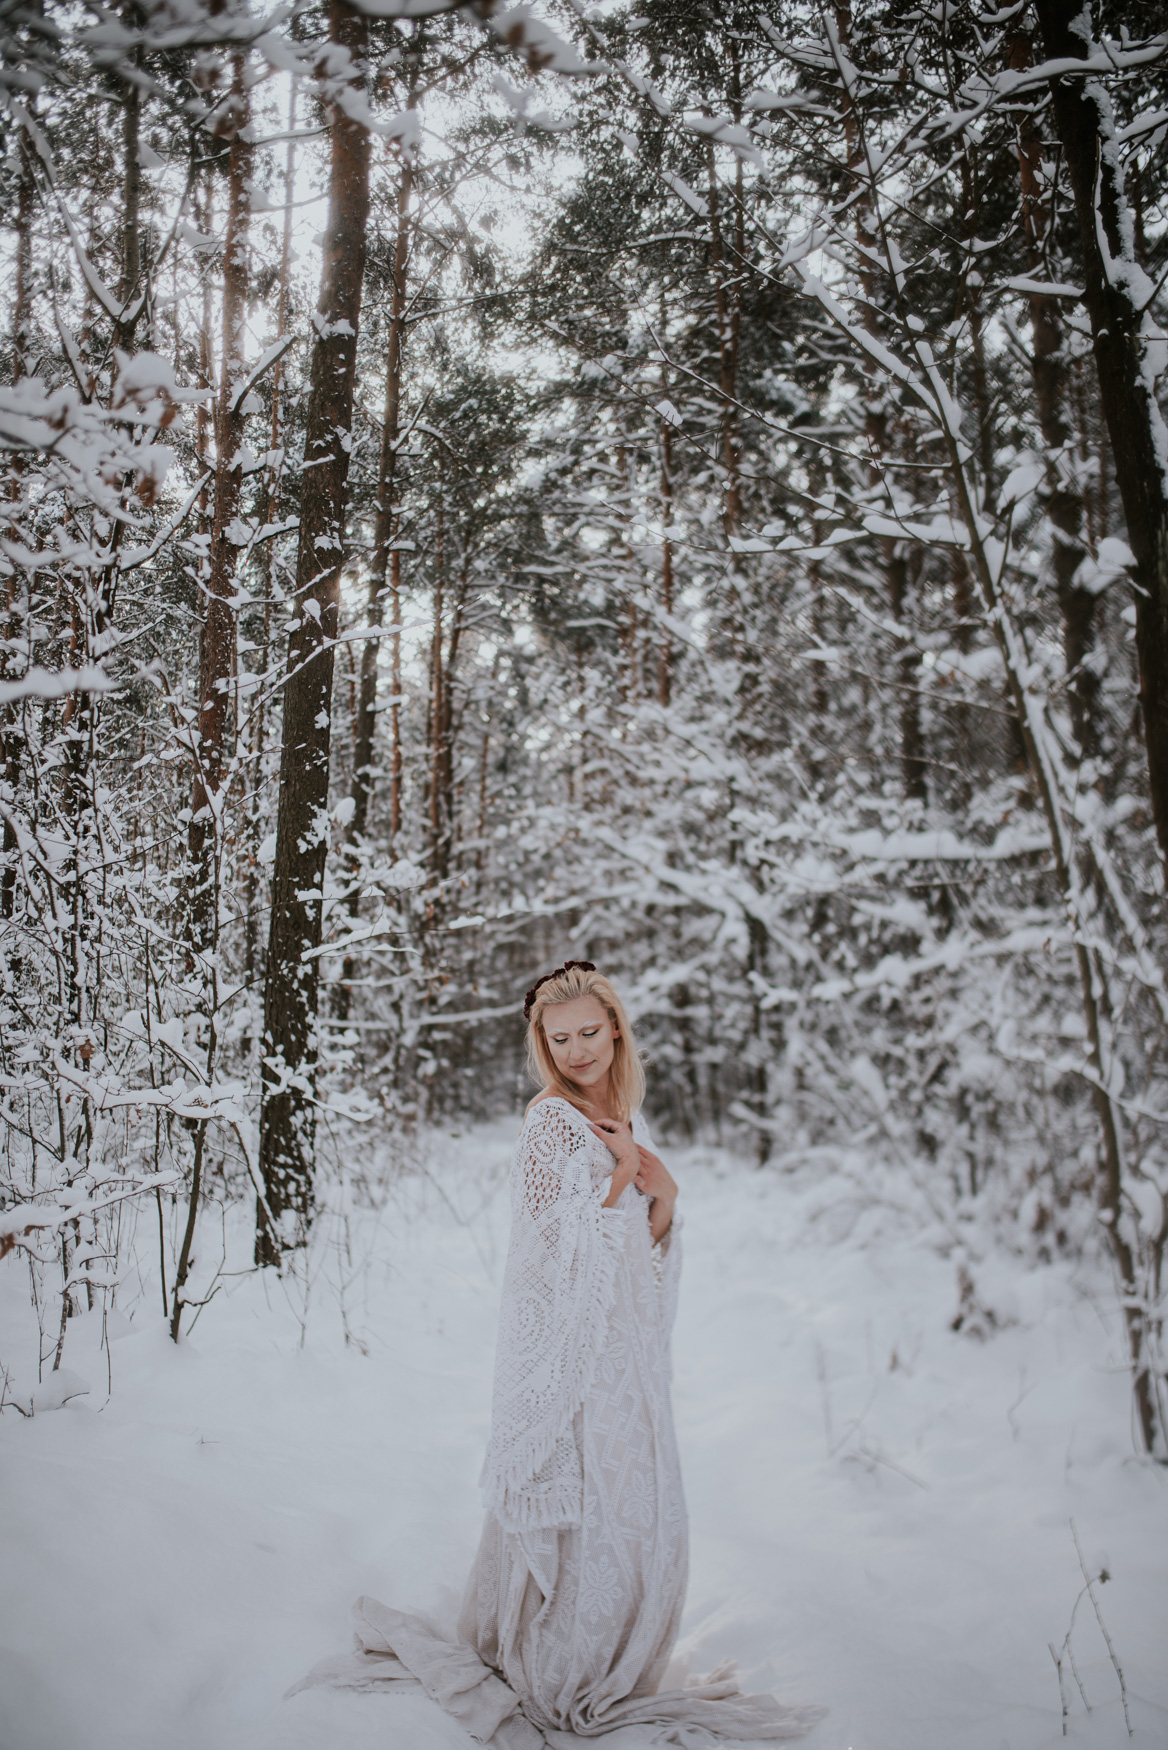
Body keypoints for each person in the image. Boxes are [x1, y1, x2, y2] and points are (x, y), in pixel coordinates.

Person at [291, 962, 822, 1746]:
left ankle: (619, 1655)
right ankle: (565, 1658)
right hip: (574, 1362)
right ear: (543, 1043)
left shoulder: (623, 1113)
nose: (577, 1051)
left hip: (627, 1352)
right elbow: (545, 1252)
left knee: (636, 1508)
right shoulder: (548, 1124)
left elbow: (642, 1250)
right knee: (592, 1508)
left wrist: (664, 1193)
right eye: (560, 1038)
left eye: (589, 1033)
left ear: (616, 1029)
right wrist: (621, 1177)